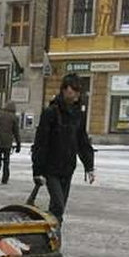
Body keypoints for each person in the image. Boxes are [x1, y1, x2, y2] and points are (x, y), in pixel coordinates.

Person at [31, 74, 95, 220]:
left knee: (58, 209)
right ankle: (47, 230)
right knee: (58, 205)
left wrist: (89, 166)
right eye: (73, 91)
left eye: (78, 92)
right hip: (51, 168)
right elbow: (41, 142)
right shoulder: (51, 112)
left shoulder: (78, 114)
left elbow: (82, 141)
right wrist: (37, 170)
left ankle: (53, 236)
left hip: (68, 168)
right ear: (64, 90)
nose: (76, 95)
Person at [0, 100, 21, 184]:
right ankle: (5, 178)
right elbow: (16, 132)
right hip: (7, 143)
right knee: (6, 161)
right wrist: (18, 144)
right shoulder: (13, 117)